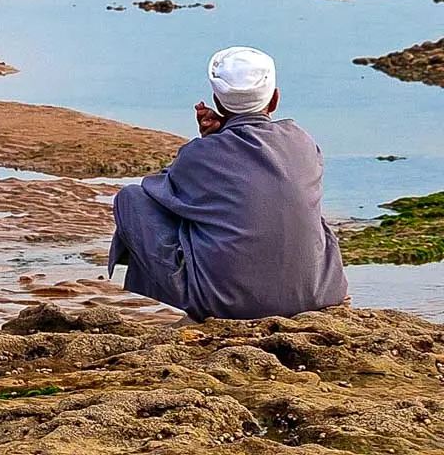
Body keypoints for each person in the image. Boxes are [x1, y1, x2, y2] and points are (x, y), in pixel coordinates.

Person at [109, 45, 347, 320]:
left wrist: (210, 142)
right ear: (274, 100)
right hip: (319, 294)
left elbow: (158, 193)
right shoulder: (302, 140)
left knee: (131, 199)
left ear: (217, 101)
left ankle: (199, 291)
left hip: (227, 305)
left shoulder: (200, 154)